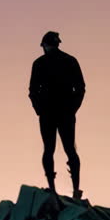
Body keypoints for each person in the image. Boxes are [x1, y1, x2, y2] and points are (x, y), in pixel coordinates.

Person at [29, 31, 85, 199]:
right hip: (64, 112)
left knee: (49, 149)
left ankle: (52, 189)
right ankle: (76, 189)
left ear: (45, 45)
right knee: (70, 150)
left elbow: (32, 91)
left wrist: (40, 109)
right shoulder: (70, 60)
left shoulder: (39, 63)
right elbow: (81, 88)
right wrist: (73, 108)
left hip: (49, 113)